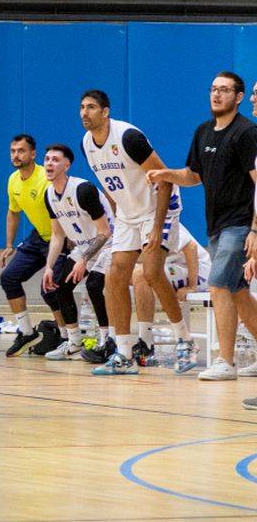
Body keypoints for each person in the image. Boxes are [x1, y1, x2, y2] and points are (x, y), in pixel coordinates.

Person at [79, 89, 197, 375]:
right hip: (128, 215)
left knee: (152, 272)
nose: (84, 113)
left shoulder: (128, 138)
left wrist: (156, 229)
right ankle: (123, 352)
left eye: (91, 107)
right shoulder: (86, 143)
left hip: (160, 207)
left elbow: (165, 179)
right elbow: (109, 184)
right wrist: (119, 215)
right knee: (114, 276)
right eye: (81, 107)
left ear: (105, 112)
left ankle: (185, 340)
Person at [149, 72, 257, 381]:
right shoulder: (203, 132)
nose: (217, 95)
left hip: (240, 224)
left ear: (238, 97)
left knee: (219, 284)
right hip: (216, 225)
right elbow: (194, 175)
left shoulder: (247, 133)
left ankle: (226, 361)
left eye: (224, 90)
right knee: (237, 291)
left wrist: (254, 230)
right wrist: (166, 174)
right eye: (213, 89)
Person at [40, 144, 113, 361]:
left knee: (94, 285)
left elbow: (105, 232)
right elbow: (57, 235)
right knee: (59, 288)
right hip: (83, 248)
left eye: (55, 160)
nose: (49, 163)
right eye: (47, 159)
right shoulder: (49, 195)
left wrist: (83, 259)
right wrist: (49, 267)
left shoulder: (83, 190)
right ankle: (73, 342)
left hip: (109, 245)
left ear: (66, 165)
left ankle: (106, 341)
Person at [0, 134, 65, 357]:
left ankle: (66, 337)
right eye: (13, 151)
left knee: (50, 288)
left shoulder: (46, 178)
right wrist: (9, 244)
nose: (16, 155)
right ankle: (27, 332)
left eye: (21, 151)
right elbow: (13, 212)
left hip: (62, 238)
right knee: (8, 277)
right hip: (38, 237)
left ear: (33, 154)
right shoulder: (13, 180)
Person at [130, 224, 210, 367]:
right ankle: (137, 341)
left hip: (198, 271)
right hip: (174, 267)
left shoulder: (159, 219)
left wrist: (192, 286)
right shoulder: (129, 223)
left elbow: (191, 247)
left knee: (140, 274)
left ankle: (146, 343)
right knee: (133, 274)